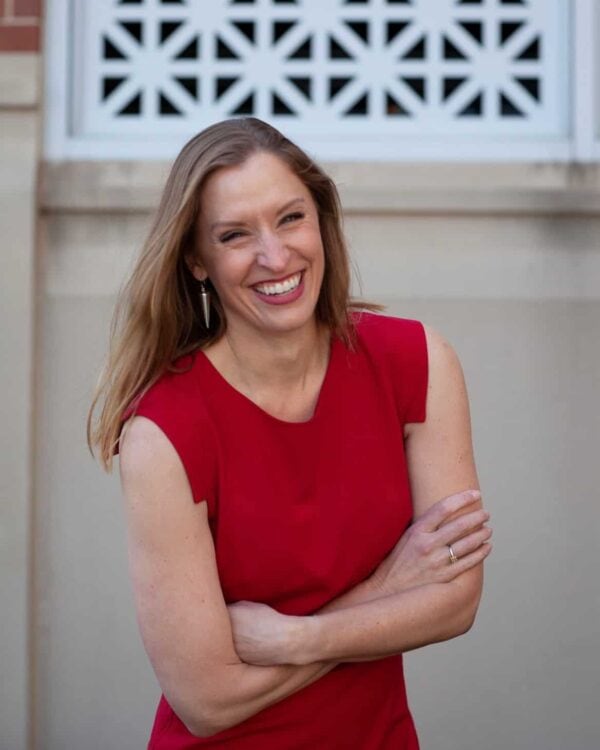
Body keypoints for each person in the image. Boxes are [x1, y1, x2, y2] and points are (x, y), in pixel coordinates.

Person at [88, 117, 492, 749]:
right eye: (234, 235)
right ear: (196, 259)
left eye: (290, 218)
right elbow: (206, 700)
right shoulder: (164, 430)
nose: (275, 256)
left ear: (321, 219)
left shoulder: (416, 363)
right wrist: (386, 592)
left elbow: (455, 599)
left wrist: (296, 636)